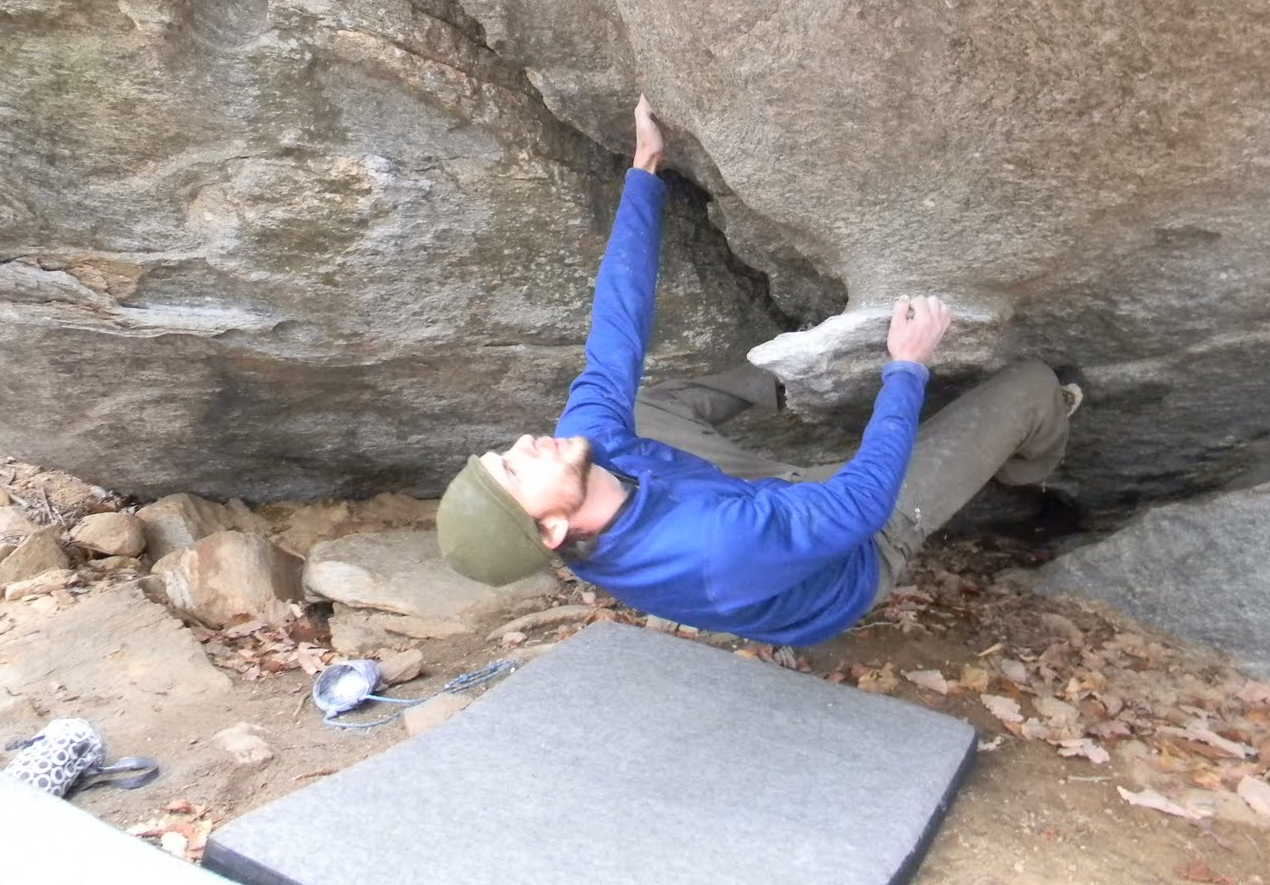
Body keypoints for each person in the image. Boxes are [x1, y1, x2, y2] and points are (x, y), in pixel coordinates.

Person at [437, 97, 1081, 646]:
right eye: (518, 469)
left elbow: (616, 334)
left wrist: (644, 174)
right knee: (1029, 385)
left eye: (505, 453)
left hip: (741, 498)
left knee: (636, 407)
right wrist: (905, 367)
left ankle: (787, 383)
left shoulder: (585, 459)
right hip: (852, 550)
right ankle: (1031, 478)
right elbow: (856, 507)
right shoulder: (714, 548)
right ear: (551, 528)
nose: (525, 444)